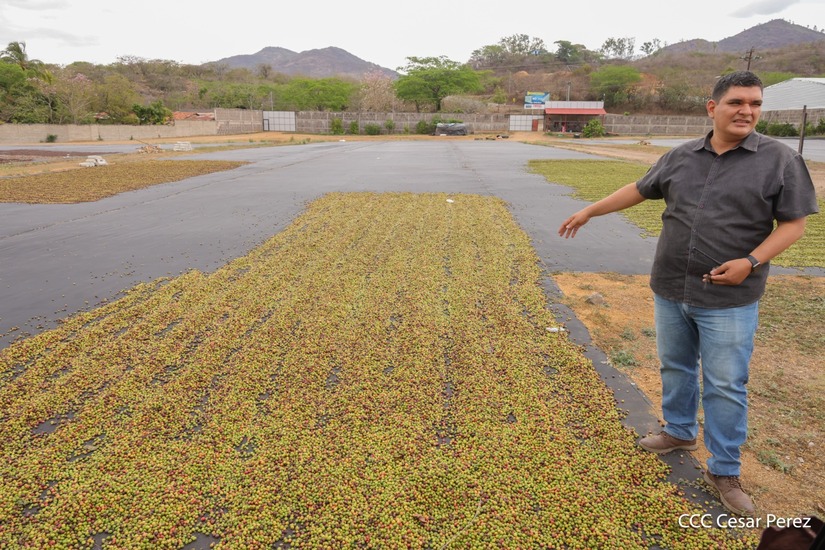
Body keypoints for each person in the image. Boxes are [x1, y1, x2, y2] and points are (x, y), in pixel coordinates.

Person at [557, 71, 819, 517]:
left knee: (724, 384)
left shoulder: (778, 160)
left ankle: (725, 470)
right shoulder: (681, 157)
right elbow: (639, 190)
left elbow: (795, 223)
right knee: (675, 365)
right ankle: (679, 430)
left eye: (755, 104)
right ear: (712, 107)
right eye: (737, 102)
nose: (747, 111)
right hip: (671, 286)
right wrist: (588, 210)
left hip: (730, 299)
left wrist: (751, 262)